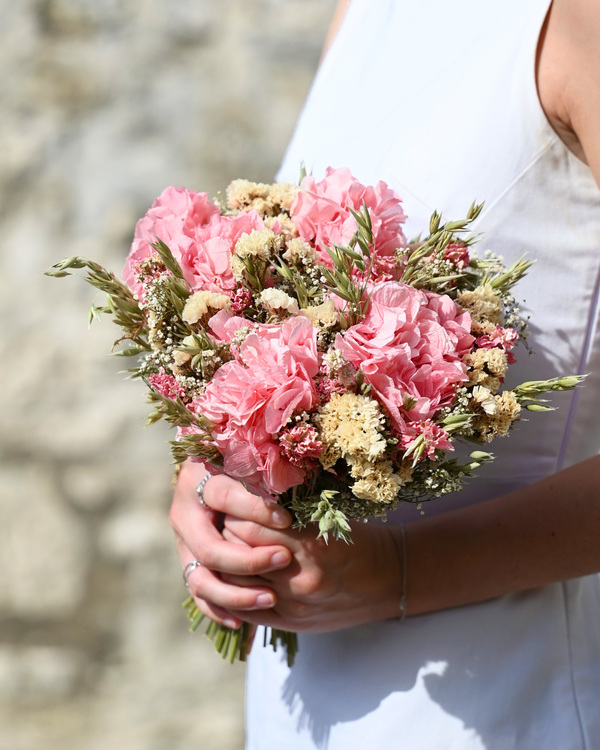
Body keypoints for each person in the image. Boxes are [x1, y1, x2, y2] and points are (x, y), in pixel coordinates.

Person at [170, 0, 600, 747]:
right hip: (305, 704)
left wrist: (397, 572)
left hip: (508, 700)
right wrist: (215, 485)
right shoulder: (367, 12)